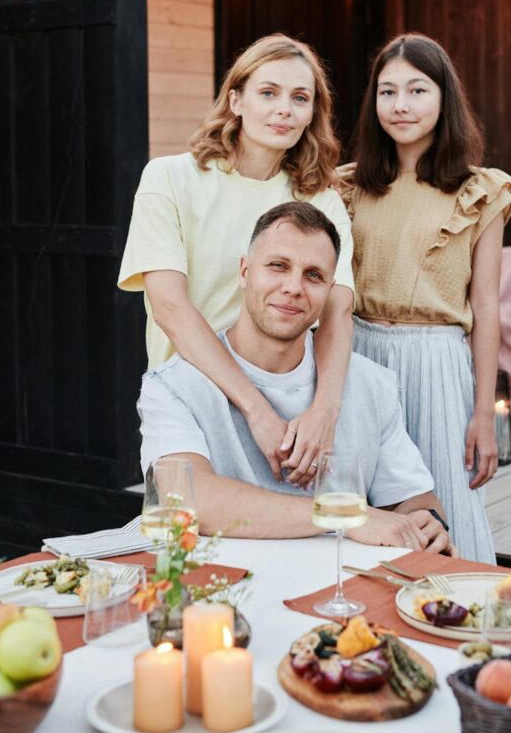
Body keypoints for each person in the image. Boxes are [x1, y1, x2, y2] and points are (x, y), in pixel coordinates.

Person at [138, 202, 456, 554]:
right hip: (222, 591)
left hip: (343, 592)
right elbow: (184, 498)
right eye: (278, 266)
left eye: (313, 275)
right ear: (245, 272)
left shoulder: (371, 385)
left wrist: (427, 523)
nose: (293, 287)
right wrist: (346, 514)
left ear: (329, 290)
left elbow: (414, 499)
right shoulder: (173, 386)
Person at [119, 34, 354, 489]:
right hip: (192, 399)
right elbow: (169, 306)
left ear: (312, 114)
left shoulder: (322, 201)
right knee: (195, 542)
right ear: (236, 100)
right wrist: (254, 410)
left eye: (299, 98)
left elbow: (337, 312)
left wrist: (325, 409)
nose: (284, 109)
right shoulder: (169, 179)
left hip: (292, 408)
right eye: (268, 92)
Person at [338, 33, 511, 563]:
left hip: (437, 361)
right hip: (358, 356)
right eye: (387, 92)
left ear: (444, 98)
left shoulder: (480, 190)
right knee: (366, 504)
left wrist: (484, 413)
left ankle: (461, 621)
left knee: (445, 503)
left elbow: (486, 309)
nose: (401, 105)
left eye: (417, 90)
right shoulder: (345, 187)